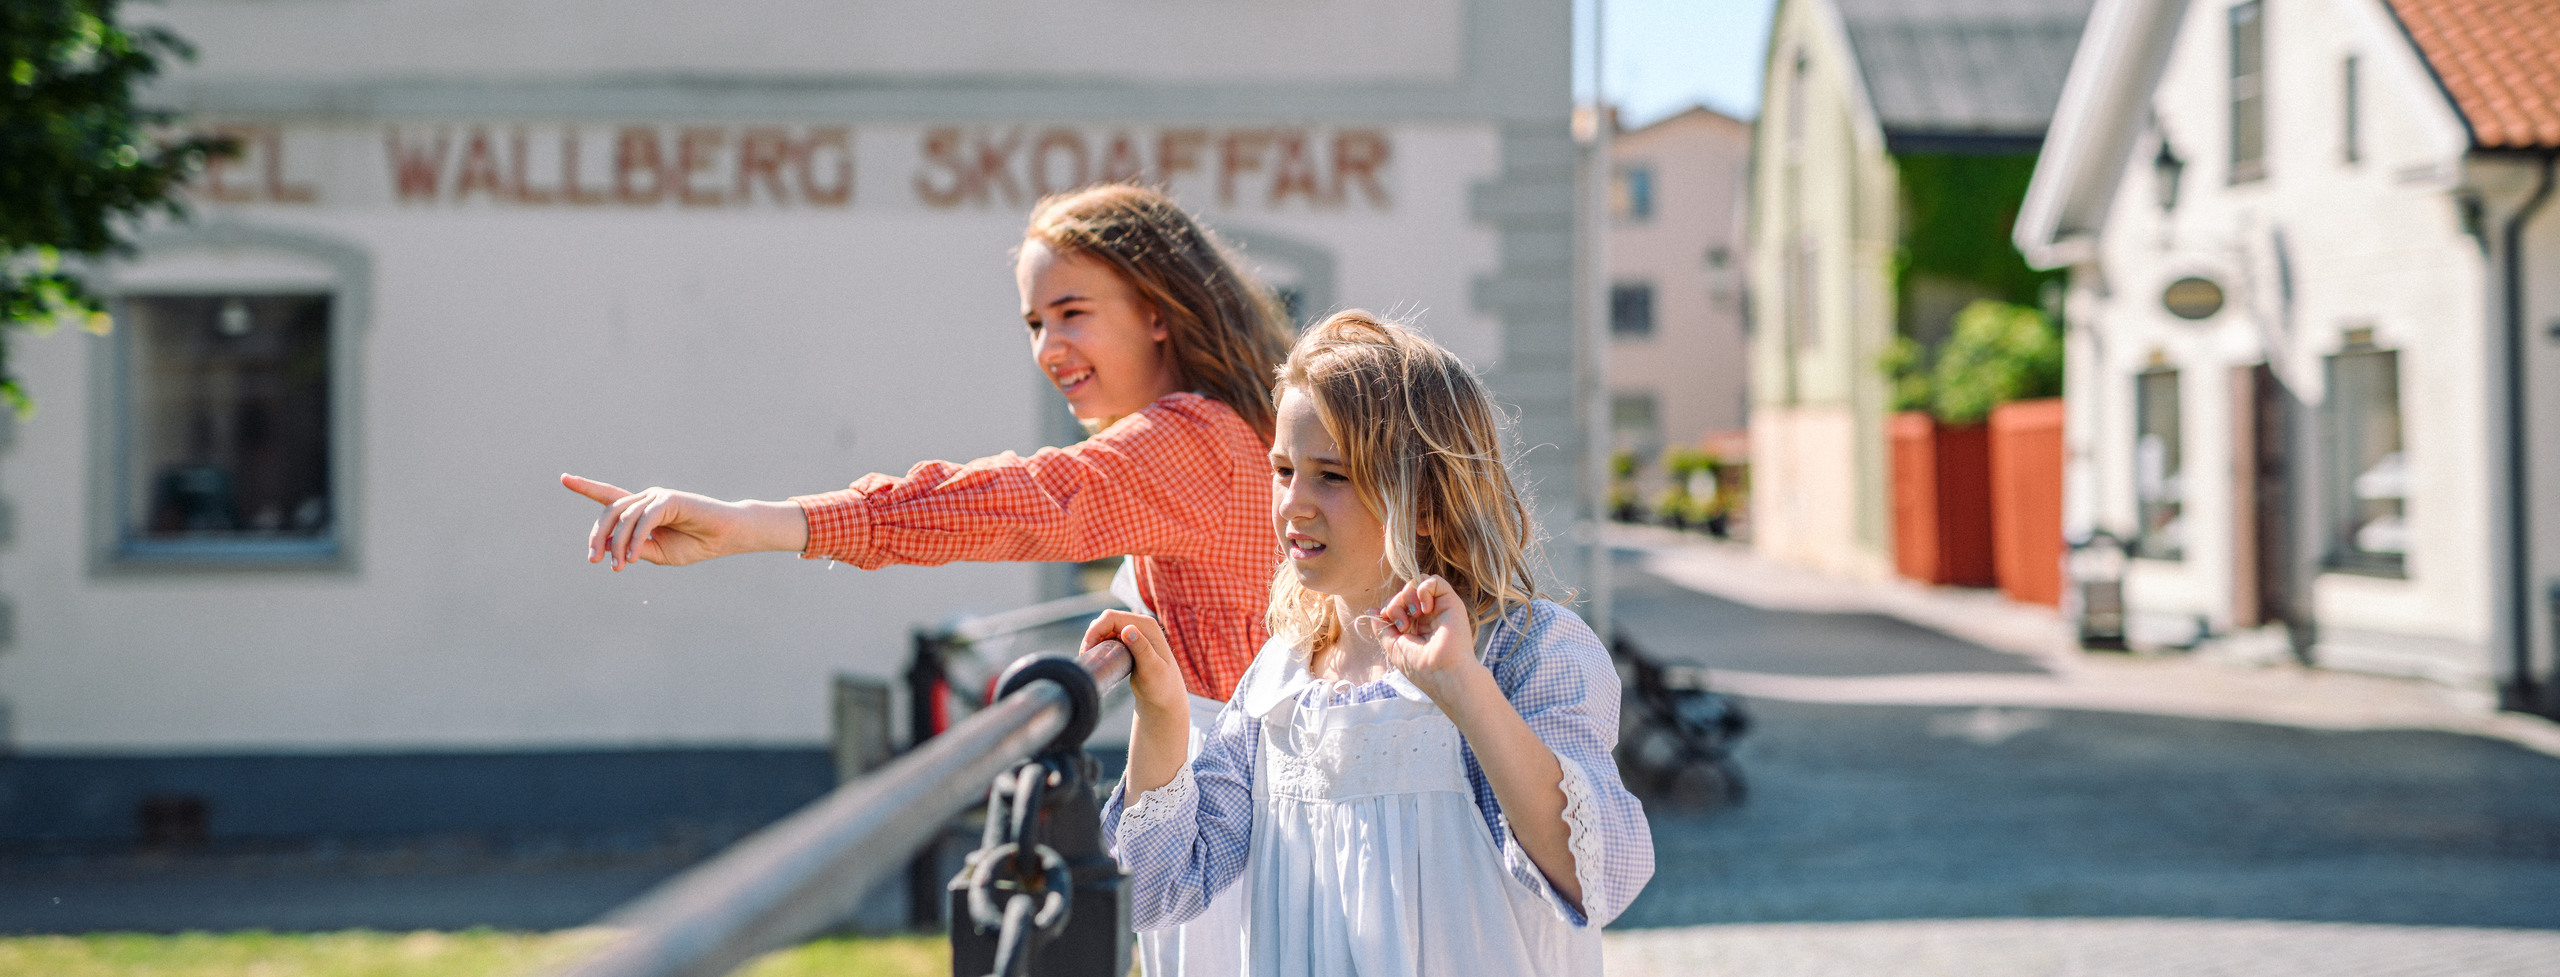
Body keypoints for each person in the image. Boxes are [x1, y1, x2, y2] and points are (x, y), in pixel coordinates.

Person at [561, 184, 1286, 976]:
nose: (1048, 346)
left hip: (1227, 832)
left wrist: (755, 524)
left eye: (1072, 312)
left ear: (1157, 309)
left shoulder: (1193, 440)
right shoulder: (1231, 428)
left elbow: (1029, 502)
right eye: (1034, 323)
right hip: (1245, 812)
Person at [1089, 311, 1654, 975]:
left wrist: (1462, 685)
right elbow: (1161, 885)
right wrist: (1161, 715)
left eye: (1331, 475)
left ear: (1424, 500)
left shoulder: (1526, 650)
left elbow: (1600, 876)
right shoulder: (1280, 678)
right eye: (1282, 470)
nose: (1294, 504)